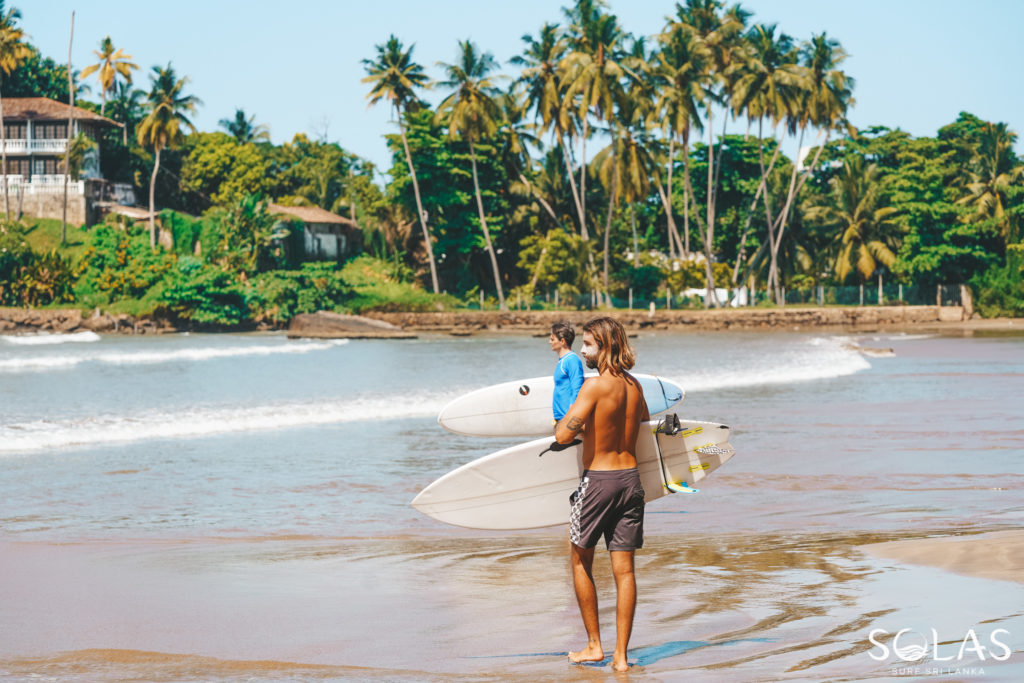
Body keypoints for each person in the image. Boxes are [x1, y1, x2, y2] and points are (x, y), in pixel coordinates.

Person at [555, 316, 648, 673]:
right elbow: (640, 422)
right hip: (631, 482)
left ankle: (595, 646)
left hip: (598, 482)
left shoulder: (594, 387)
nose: (582, 351)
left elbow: (564, 436)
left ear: (605, 346)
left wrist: (566, 423)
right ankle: (621, 659)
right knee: (625, 572)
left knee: (580, 559)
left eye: (589, 344)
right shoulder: (635, 387)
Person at [549, 321, 585, 425]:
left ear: (562, 341)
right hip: (560, 418)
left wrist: (572, 418)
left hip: (568, 419)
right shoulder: (563, 360)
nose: (549, 342)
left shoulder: (572, 360)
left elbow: (577, 388)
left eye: (552, 339)